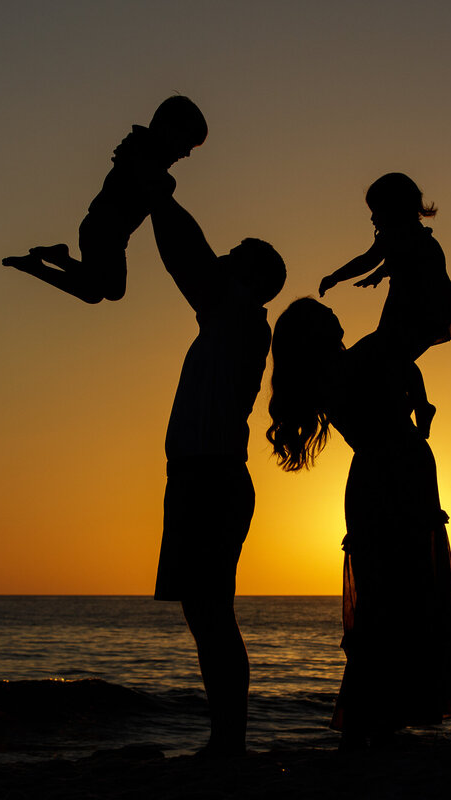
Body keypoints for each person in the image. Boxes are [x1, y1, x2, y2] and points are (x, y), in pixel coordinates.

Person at [266, 297, 451, 748]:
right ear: (315, 336)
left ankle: (380, 717)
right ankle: (377, 718)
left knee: (391, 595)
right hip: (391, 479)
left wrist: (419, 396)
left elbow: (400, 354)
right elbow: (402, 334)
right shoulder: (351, 364)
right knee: (397, 593)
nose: (333, 314)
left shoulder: (340, 370)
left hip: (386, 478)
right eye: (324, 319)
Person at [148, 182, 286, 757]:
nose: (224, 260)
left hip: (211, 479)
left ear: (251, 280)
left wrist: (158, 195)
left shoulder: (241, 319)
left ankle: (228, 740)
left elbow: (189, 258)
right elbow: (193, 260)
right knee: (205, 616)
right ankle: (225, 737)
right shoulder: (226, 321)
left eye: (237, 257)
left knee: (212, 615)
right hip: (196, 478)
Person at [2, 95, 208, 303]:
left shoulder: (141, 155)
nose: (186, 154)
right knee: (101, 290)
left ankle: (58, 259)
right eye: (187, 144)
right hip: (102, 230)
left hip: (113, 236)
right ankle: (42, 265)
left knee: (104, 288)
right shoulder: (140, 157)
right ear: (170, 131)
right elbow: (146, 178)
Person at [318, 173, 451, 438]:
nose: (372, 218)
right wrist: (380, 274)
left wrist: (335, 277)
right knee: (396, 359)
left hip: (412, 311)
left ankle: (418, 406)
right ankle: (418, 404)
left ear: (393, 208)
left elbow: (368, 259)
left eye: (376, 211)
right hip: (422, 311)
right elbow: (400, 261)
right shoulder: (417, 237)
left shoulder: (398, 237)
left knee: (391, 355)